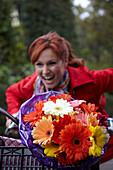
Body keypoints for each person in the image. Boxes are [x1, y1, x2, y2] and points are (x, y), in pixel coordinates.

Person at [6, 32, 113, 164]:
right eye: (39, 64)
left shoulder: (89, 81)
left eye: (51, 63)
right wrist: (14, 113)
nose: (45, 72)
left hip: (99, 157)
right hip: (54, 159)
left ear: (65, 60)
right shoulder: (33, 84)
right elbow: (12, 92)